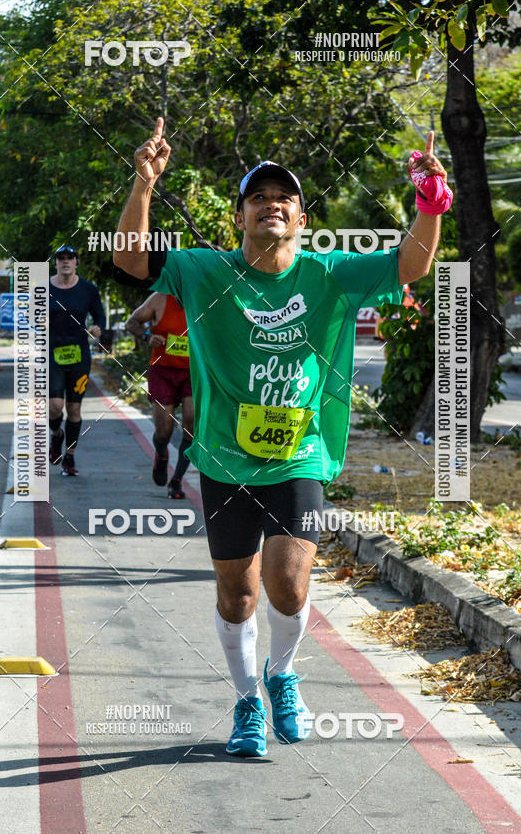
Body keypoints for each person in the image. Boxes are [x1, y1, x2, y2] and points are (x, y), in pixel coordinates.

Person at [113, 117, 450, 758]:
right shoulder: (203, 271)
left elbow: (411, 262)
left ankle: (282, 674)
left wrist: (429, 201)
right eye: (259, 198)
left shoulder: (331, 274)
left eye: (284, 199)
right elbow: (131, 258)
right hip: (224, 457)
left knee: (288, 585)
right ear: (240, 216)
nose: (272, 204)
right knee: (236, 593)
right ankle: (246, 703)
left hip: (300, 454)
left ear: (300, 219)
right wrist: (144, 183)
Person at [125, 291, 193, 499]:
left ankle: (177, 480)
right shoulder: (159, 298)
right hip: (162, 370)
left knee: (191, 425)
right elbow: (131, 322)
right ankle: (161, 454)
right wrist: (147, 335)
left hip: (193, 372)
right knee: (163, 430)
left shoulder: (203, 296)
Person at [49, 244, 106, 476]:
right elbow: (30, 315)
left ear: (76, 262)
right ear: (55, 263)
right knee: (54, 406)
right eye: (60, 258)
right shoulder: (43, 289)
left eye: (70, 258)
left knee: (74, 408)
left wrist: (97, 327)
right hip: (51, 355)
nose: (65, 261)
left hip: (79, 356)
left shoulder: (88, 289)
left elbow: (100, 315)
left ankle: (69, 457)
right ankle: (56, 435)